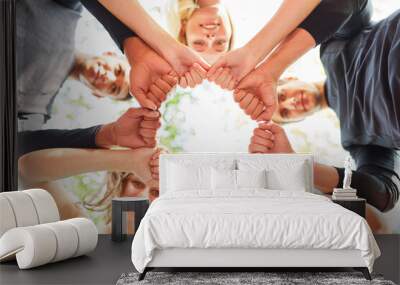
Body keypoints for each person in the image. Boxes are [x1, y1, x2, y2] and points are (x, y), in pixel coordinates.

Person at [242, 0, 399, 213]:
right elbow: (384, 195)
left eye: (282, 95)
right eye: (287, 112)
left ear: (290, 77)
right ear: (297, 121)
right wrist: (299, 165)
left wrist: (271, 69)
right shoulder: (354, 138)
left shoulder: (332, 47)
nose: (292, 102)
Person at [18, 145, 160, 220]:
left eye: (156, 192)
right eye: (137, 183)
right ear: (120, 184)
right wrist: (129, 160)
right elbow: (26, 170)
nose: (144, 196)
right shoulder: (82, 224)